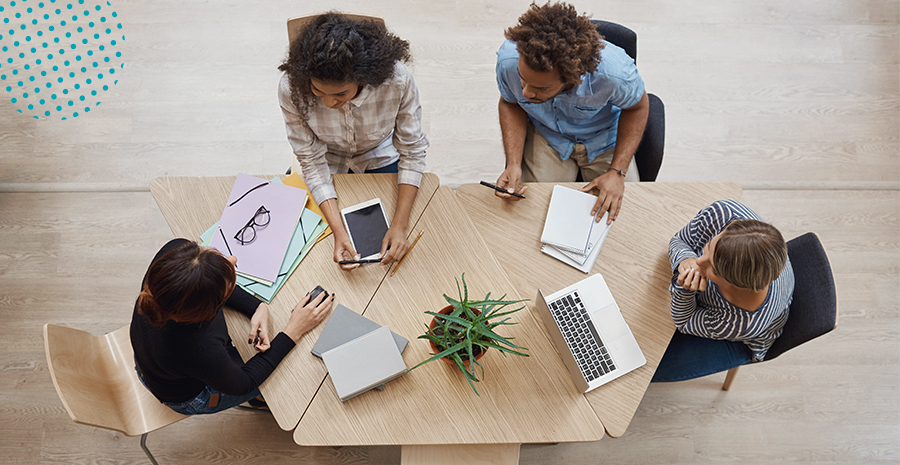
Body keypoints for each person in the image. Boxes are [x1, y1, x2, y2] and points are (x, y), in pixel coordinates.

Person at [278, 13, 429, 270]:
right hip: (326, 156)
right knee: (306, 246)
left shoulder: (397, 81)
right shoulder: (291, 88)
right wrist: (339, 232)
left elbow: (412, 152)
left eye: (340, 93)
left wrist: (400, 226)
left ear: (364, 76)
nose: (328, 103)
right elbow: (311, 161)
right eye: (317, 91)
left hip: (379, 152)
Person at [130, 238, 333, 414]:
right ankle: (261, 400)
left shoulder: (170, 259)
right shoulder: (199, 348)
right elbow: (243, 383)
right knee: (293, 371)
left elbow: (206, 281)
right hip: (191, 396)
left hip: (156, 366)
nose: (233, 259)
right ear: (210, 310)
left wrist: (257, 307)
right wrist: (292, 331)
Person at [494, 2, 648, 225]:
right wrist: (513, 163)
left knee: (627, 218)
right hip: (547, 135)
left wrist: (617, 172)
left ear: (572, 77)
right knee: (527, 216)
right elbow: (510, 103)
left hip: (603, 138)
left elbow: (638, 107)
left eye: (541, 88)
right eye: (523, 79)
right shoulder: (509, 60)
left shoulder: (614, 75)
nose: (526, 93)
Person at [652, 200, 795, 382]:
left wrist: (684, 289)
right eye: (709, 246)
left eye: (713, 269)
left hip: (740, 340)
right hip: (724, 307)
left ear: (737, 284)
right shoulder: (725, 213)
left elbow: (685, 321)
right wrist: (685, 258)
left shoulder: (740, 323)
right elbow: (680, 240)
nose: (699, 262)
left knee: (649, 366)